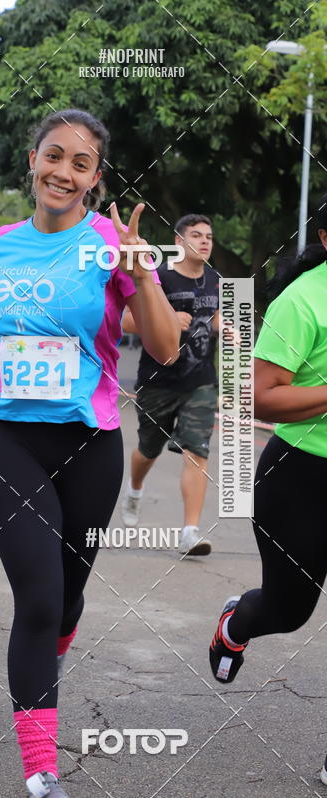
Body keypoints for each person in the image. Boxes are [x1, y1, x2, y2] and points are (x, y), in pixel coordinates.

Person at [0, 109, 180, 798]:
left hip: (91, 445)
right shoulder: (1, 245)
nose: (63, 171)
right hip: (11, 439)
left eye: (80, 162)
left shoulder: (113, 246)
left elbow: (164, 349)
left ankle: (47, 658)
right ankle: (40, 771)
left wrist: (142, 277)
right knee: (37, 599)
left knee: (66, 601)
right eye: (53, 155)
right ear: (33, 160)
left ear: (95, 177)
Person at [209, 196, 327, 784]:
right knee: (289, 610)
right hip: (301, 479)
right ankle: (238, 624)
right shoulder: (304, 301)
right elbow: (259, 396)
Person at [120, 214, 222, 555]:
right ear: (179, 242)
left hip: (200, 381)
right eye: (197, 235)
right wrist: (168, 320)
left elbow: (218, 318)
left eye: (209, 236)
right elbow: (128, 321)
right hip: (158, 380)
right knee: (148, 448)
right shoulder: (158, 276)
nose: (205, 241)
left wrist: (225, 326)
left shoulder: (216, 280)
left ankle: (190, 531)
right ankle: (134, 489)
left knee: (197, 450)